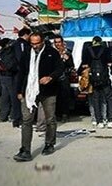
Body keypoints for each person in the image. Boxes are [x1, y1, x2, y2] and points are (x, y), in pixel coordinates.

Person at [13, 32, 64, 161]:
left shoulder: (51, 53)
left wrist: (50, 77)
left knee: (50, 119)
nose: (34, 46)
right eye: (32, 43)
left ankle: (49, 144)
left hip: (48, 91)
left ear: (42, 42)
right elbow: (21, 73)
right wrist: (19, 91)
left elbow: (60, 69)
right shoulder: (26, 54)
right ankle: (25, 149)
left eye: (37, 43)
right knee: (26, 120)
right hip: (29, 91)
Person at [80, 36, 112, 129]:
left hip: (93, 79)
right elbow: (110, 62)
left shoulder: (87, 50)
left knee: (95, 99)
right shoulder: (105, 49)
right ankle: (110, 120)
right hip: (104, 77)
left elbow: (84, 64)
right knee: (109, 98)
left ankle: (99, 121)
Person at [53, 36, 74, 123]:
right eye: (56, 42)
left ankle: (65, 114)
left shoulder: (67, 52)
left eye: (59, 42)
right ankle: (57, 114)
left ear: (62, 42)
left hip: (64, 77)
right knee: (56, 97)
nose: (58, 44)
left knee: (65, 96)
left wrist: (66, 58)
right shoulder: (53, 53)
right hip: (54, 78)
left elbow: (71, 65)